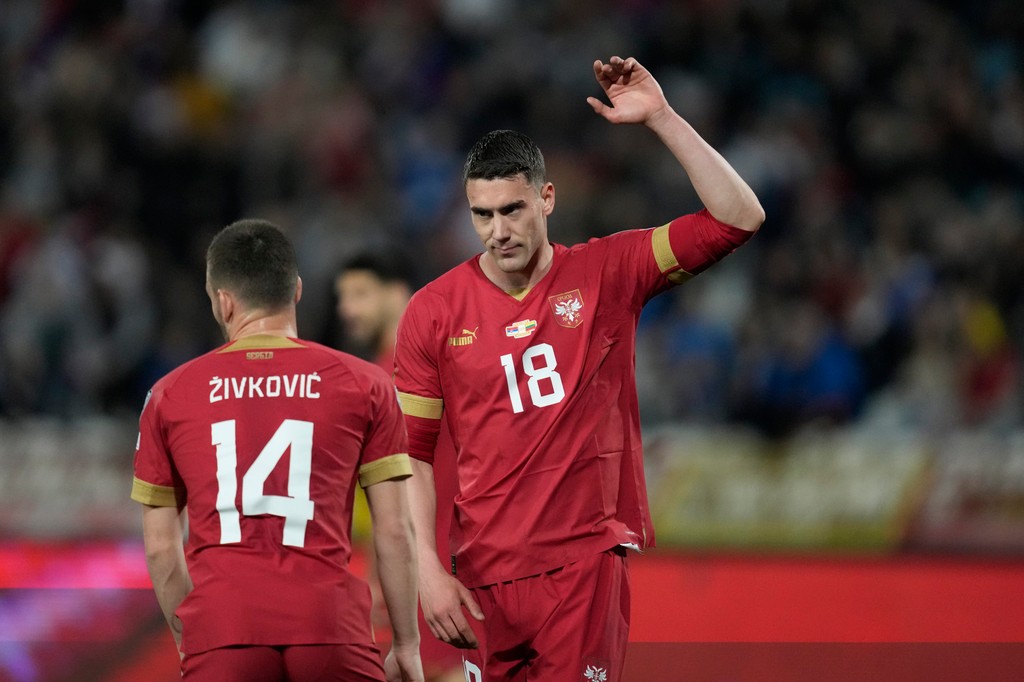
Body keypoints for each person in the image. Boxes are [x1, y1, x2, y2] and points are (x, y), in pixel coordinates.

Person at [392, 56, 765, 681]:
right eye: (482, 214)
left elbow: (738, 218)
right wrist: (426, 571)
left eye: (512, 209)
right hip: (481, 578)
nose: (498, 231)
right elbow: (411, 455)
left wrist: (663, 118)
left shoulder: (607, 273)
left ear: (547, 197)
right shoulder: (432, 311)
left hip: (582, 567)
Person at [131, 219, 423, 682]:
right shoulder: (364, 384)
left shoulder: (169, 395)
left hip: (224, 631)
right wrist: (407, 643)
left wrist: (195, 639)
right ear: (297, 290)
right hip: (331, 628)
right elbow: (395, 530)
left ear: (223, 301)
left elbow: (162, 548)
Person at [336, 251, 480, 682]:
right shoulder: (384, 376)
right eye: (343, 297)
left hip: (445, 568)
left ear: (398, 293)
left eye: (360, 294)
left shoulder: (400, 378)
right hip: (428, 570)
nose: (347, 309)